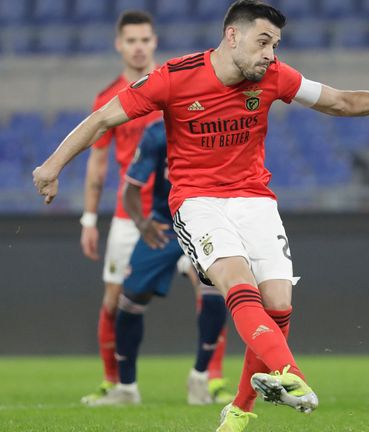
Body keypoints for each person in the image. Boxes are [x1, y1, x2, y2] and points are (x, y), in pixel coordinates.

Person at [33, 1, 369, 430]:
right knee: (236, 282)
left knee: (278, 304)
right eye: (263, 41)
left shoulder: (273, 76)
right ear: (232, 36)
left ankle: (239, 410)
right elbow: (104, 117)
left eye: (275, 44)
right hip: (197, 202)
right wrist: (52, 165)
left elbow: (340, 102)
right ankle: (292, 375)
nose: (271, 53)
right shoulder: (174, 78)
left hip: (255, 199)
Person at [88, 119, 234, 406]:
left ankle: (200, 378)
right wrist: (142, 224)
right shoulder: (157, 132)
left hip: (206, 223)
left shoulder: (218, 124)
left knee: (215, 293)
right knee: (129, 299)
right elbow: (131, 187)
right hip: (164, 227)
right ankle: (127, 388)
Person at [78, 10, 163, 405]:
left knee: (210, 288)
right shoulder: (107, 99)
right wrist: (90, 219)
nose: (139, 46)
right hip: (130, 216)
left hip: (177, 209)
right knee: (113, 300)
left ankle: (210, 378)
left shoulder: (174, 87)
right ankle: (115, 383)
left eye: (144, 39)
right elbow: (97, 166)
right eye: (131, 40)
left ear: (154, 41)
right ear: (120, 45)